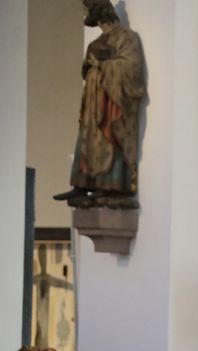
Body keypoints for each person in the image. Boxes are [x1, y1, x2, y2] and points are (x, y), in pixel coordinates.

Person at [52, 0, 145, 208]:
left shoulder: (126, 37)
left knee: (108, 138)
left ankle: (110, 185)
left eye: (87, 10)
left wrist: (102, 65)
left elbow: (132, 69)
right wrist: (89, 65)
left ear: (98, 12)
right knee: (87, 141)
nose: (85, 15)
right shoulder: (96, 42)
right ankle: (82, 184)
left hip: (111, 103)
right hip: (93, 102)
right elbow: (86, 69)